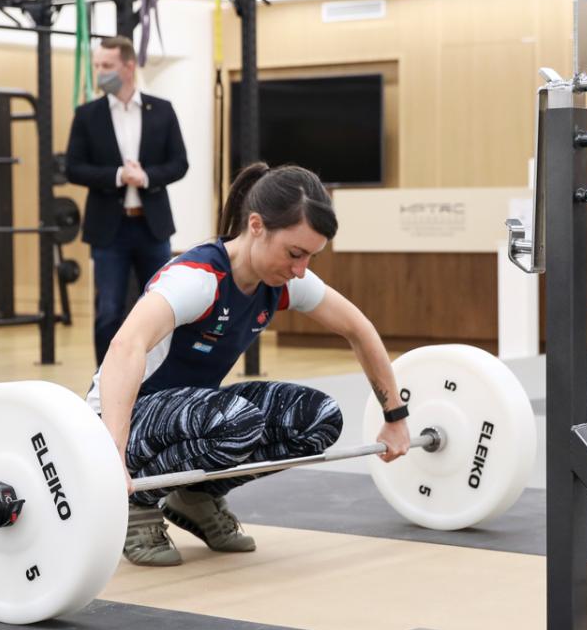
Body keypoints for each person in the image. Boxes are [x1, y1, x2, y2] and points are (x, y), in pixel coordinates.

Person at [93, 162, 410, 567]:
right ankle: (139, 503)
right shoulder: (199, 278)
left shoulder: (278, 282)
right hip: (123, 418)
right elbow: (124, 347)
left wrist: (395, 416)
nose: (301, 270)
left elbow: (359, 329)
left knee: (319, 419)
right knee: (237, 420)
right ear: (257, 225)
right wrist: (110, 458)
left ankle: (195, 497)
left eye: (310, 257)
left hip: (190, 416)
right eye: (295, 253)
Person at [65, 35, 189, 364]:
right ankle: (104, 382)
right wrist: (119, 176)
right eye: (97, 66)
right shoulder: (87, 115)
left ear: (129, 67)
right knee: (108, 310)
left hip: (152, 226)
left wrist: (146, 177)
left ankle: (160, 378)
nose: (100, 72)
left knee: (163, 305)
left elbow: (179, 163)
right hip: (110, 230)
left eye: (106, 66)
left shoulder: (161, 110)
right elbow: (73, 168)